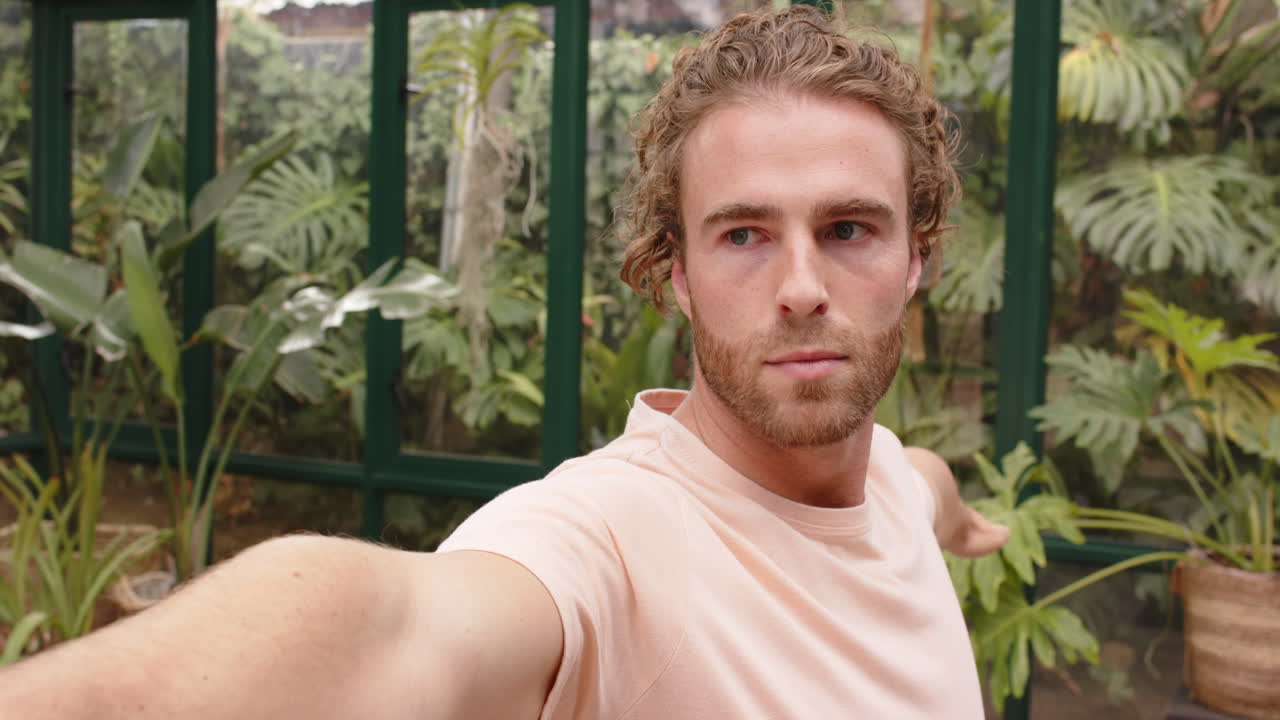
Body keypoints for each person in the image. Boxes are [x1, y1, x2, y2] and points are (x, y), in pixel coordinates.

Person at [0, 5, 1008, 719]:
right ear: (675, 275)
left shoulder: (888, 481)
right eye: (742, 235)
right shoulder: (603, 546)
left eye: (846, 228)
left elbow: (916, 484)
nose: (799, 284)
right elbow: (392, 633)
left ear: (916, 255)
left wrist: (957, 520)